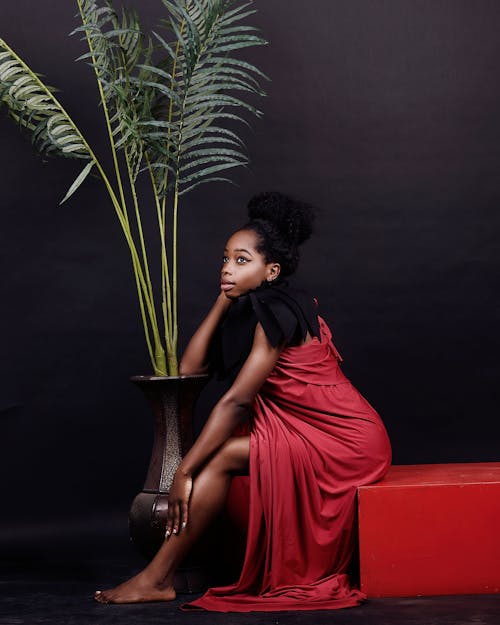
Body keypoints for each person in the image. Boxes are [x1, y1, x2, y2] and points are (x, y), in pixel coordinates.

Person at [94, 191, 392, 611]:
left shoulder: (281, 311)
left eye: (241, 260)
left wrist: (184, 469)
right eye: (225, 259)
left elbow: (236, 402)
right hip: (314, 433)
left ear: (271, 271)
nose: (227, 269)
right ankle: (158, 576)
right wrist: (223, 297)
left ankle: (157, 577)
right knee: (219, 456)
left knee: (217, 458)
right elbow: (190, 368)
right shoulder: (251, 307)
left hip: (347, 441)